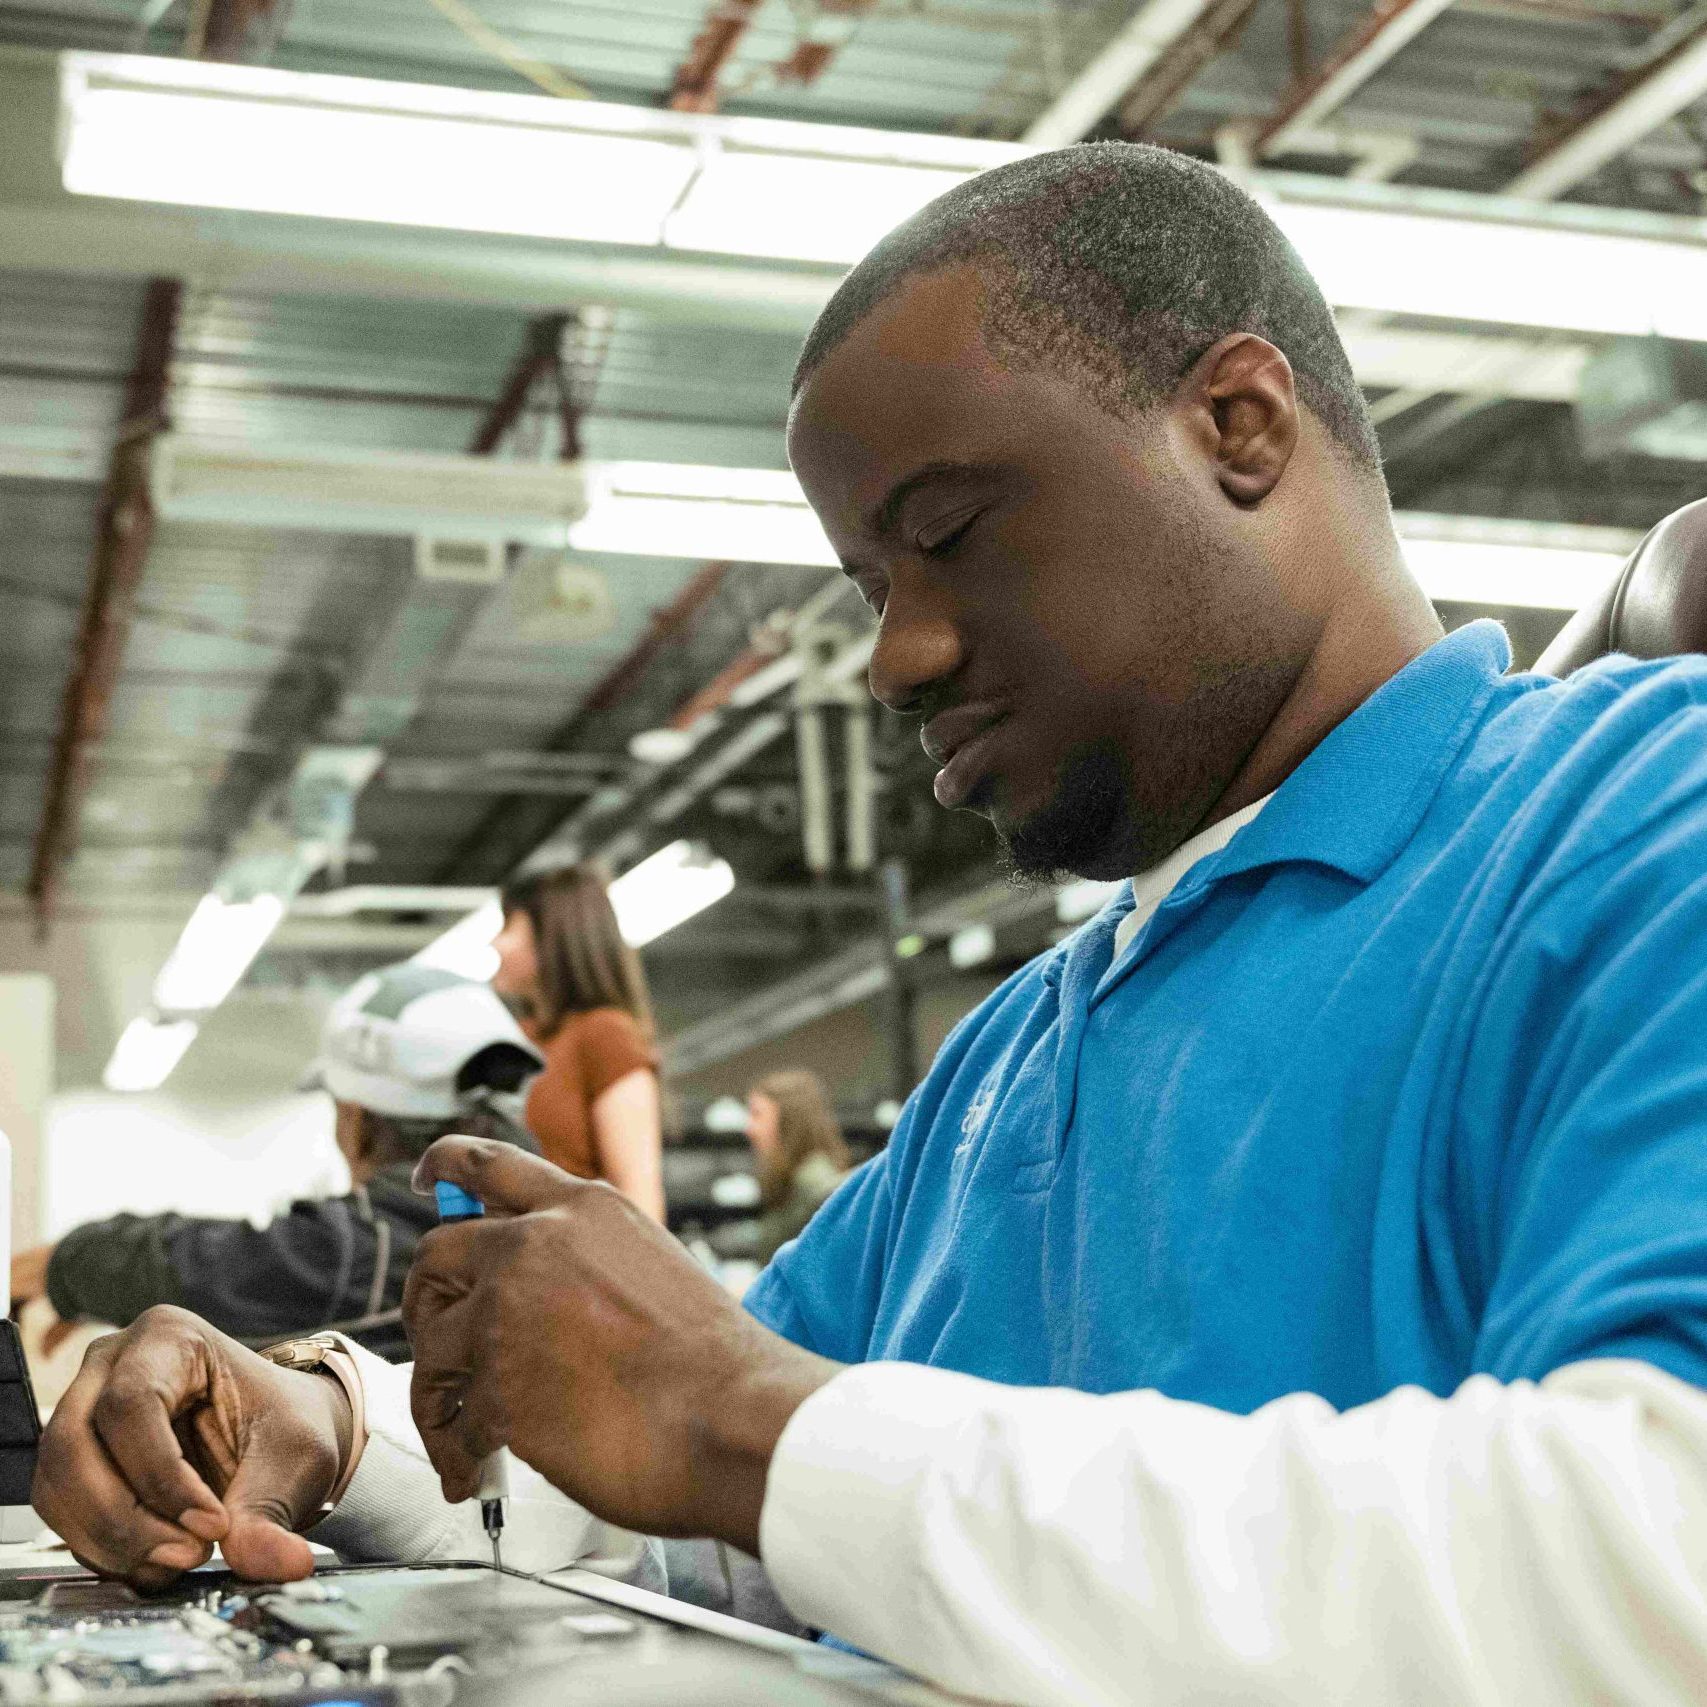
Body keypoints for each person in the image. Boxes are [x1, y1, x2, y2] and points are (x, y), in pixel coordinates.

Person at [34, 142, 1707, 1705]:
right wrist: (326, 1424)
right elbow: (715, 1498)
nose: (896, 656)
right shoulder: (1019, 1055)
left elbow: (1656, 1559)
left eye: (949, 537)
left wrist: (748, 1426)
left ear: (1240, 426)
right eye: (864, 587)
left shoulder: (1643, 817)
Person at [10, 964, 541, 1363]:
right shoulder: (551, 1214)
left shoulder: (369, 1249)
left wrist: (65, 1264)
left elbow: (210, 1268)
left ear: (354, 1119)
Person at [490, 863, 664, 1220]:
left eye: (508, 925)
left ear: (551, 935)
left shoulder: (607, 1034)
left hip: (571, 1266)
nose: (495, 942)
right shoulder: (518, 1039)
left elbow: (639, 1197)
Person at [713, 1071, 852, 1265]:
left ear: (790, 1121)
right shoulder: (794, 1181)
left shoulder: (816, 1188)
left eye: (757, 1114)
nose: (749, 1128)